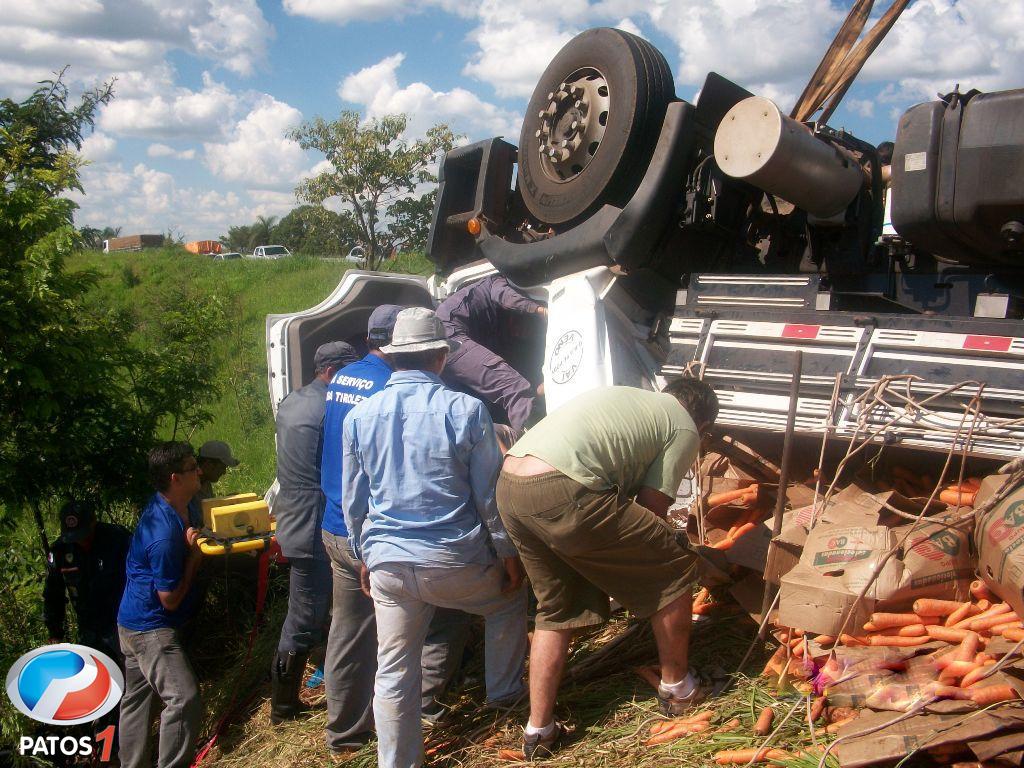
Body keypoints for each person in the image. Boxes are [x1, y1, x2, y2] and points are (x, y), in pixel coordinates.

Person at [343, 306, 528, 768]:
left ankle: (398, 762)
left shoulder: (361, 417)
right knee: (507, 603)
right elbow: (489, 493)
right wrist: (506, 551)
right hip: (455, 558)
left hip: (388, 563)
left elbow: (355, 501)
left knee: (393, 669)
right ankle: (505, 699)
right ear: (442, 357)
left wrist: (364, 553)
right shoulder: (466, 410)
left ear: (391, 357)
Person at [495, 378, 719, 759]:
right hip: (563, 488)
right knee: (674, 568)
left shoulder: (628, 396)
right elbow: (652, 509)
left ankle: (539, 730)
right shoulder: (683, 426)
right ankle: (679, 689)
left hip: (511, 486)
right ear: (704, 425)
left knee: (558, 607)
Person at [320, 305, 472, 755]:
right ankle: (419, 709)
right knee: (444, 613)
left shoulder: (343, 377)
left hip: (337, 523)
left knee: (348, 632)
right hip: (382, 531)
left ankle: (345, 737)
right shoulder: (396, 388)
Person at [270, 341, 359, 724]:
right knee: (303, 620)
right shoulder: (329, 407)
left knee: (314, 612)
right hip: (313, 523)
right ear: (334, 371)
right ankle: (284, 706)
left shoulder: (292, 400)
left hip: (292, 516)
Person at [117, 442, 205, 768]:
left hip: (129, 619)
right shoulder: (164, 535)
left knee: (136, 701)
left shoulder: (182, 504)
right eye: (192, 467)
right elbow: (169, 601)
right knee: (184, 699)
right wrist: (194, 558)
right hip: (148, 627)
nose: (199, 471)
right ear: (175, 478)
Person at [436, 274, 546, 430]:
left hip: (442, 345)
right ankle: (536, 445)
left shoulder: (496, 330)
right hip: (450, 337)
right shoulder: (497, 281)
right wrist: (540, 310)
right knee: (514, 388)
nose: (525, 332)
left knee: (486, 402)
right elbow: (504, 295)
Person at [43, 500, 132, 662]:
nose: (80, 541)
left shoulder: (118, 539)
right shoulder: (60, 551)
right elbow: (53, 593)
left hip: (123, 623)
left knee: (132, 679)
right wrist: (55, 632)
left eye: (83, 534)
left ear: (93, 522)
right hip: (89, 627)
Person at [187, 440, 240, 528]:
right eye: (222, 467)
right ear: (208, 465)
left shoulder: (206, 482)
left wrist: (224, 502)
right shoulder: (191, 487)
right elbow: (200, 521)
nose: (224, 472)